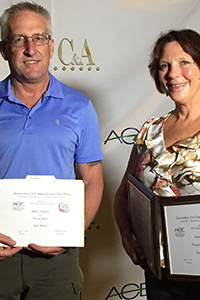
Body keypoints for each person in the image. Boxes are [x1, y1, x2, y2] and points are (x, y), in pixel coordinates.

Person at [0, 1, 103, 299]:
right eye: (20, 39)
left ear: (51, 46)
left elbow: (93, 179)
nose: (31, 48)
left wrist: (72, 233)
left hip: (56, 262)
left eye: (39, 38)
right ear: (5, 49)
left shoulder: (79, 107)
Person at [114, 28, 200, 300]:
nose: (173, 73)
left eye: (184, 62)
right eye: (165, 65)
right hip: (160, 278)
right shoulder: (150, 131)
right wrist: (128, 238)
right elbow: (123, 195)